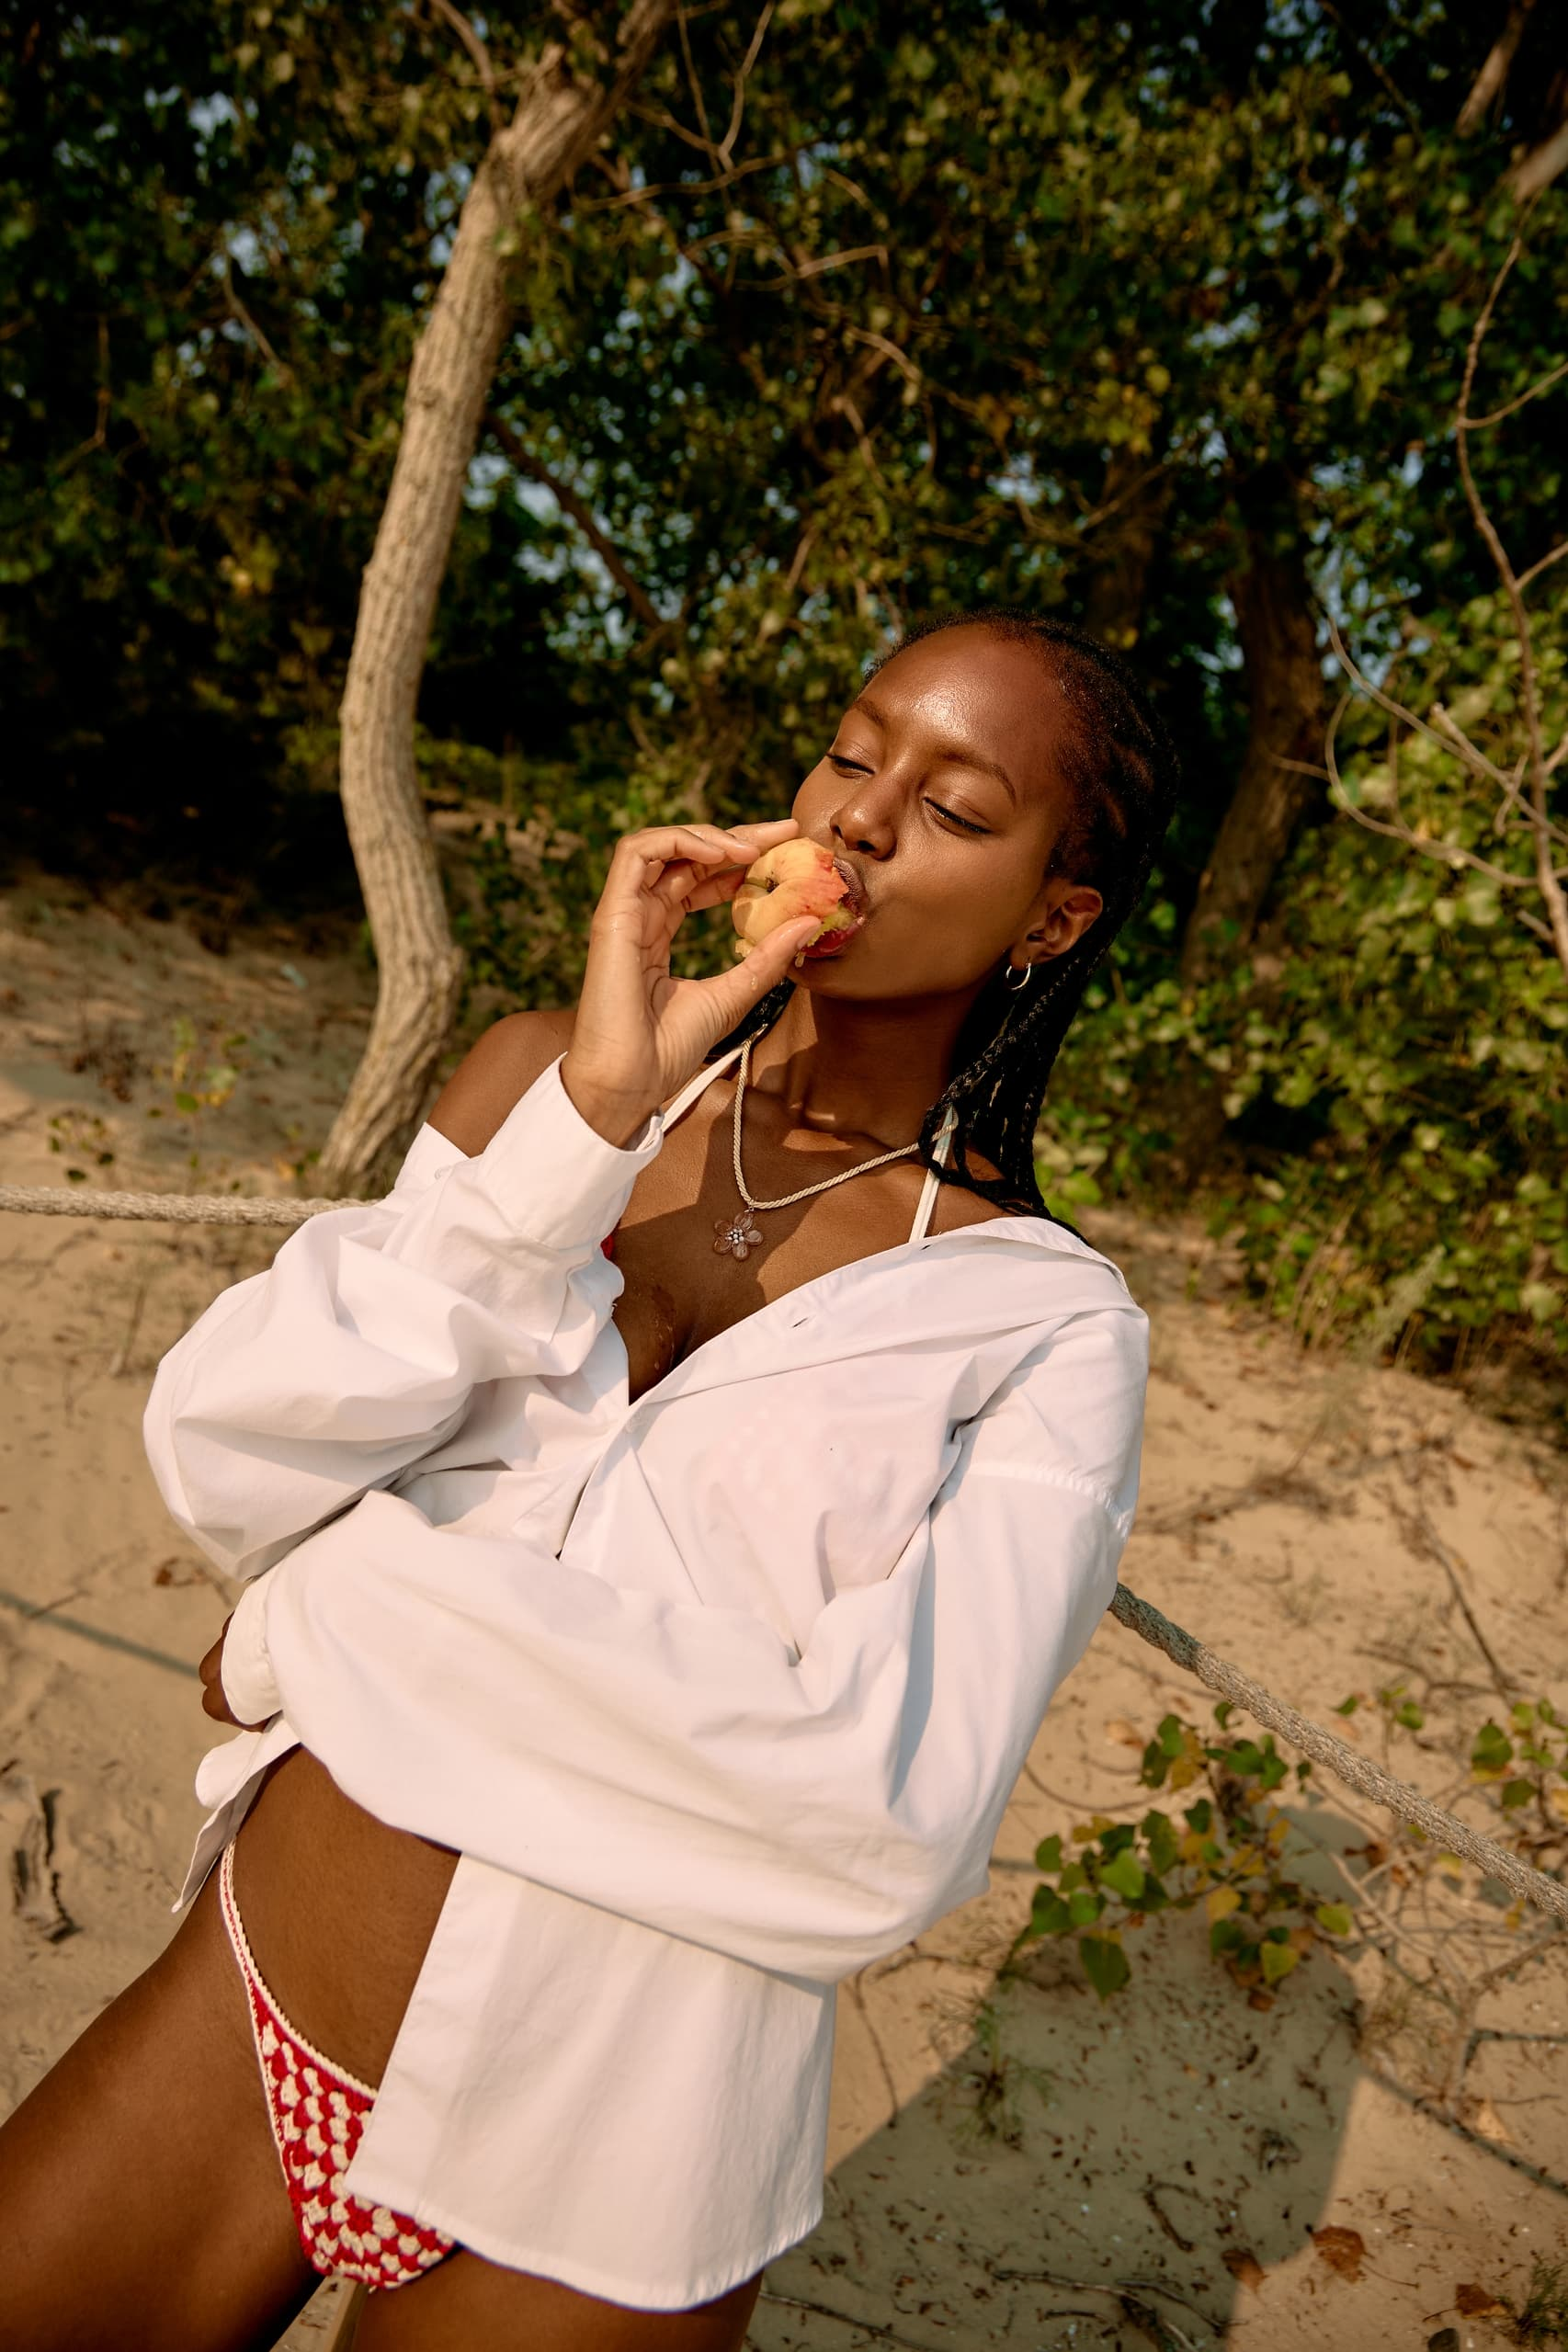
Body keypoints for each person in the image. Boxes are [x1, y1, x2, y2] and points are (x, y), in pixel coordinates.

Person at [0, 611, 1176, 2352]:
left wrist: (326, 1613)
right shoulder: (540, 1091)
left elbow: (873, 1822)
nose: (858, 820)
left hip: (615, 2169)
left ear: (1054, 916)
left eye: (952, 806)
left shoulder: (1042, 1325)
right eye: (851, 756)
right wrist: (587, 1122)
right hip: (253, 2001)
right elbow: (228, 1447)